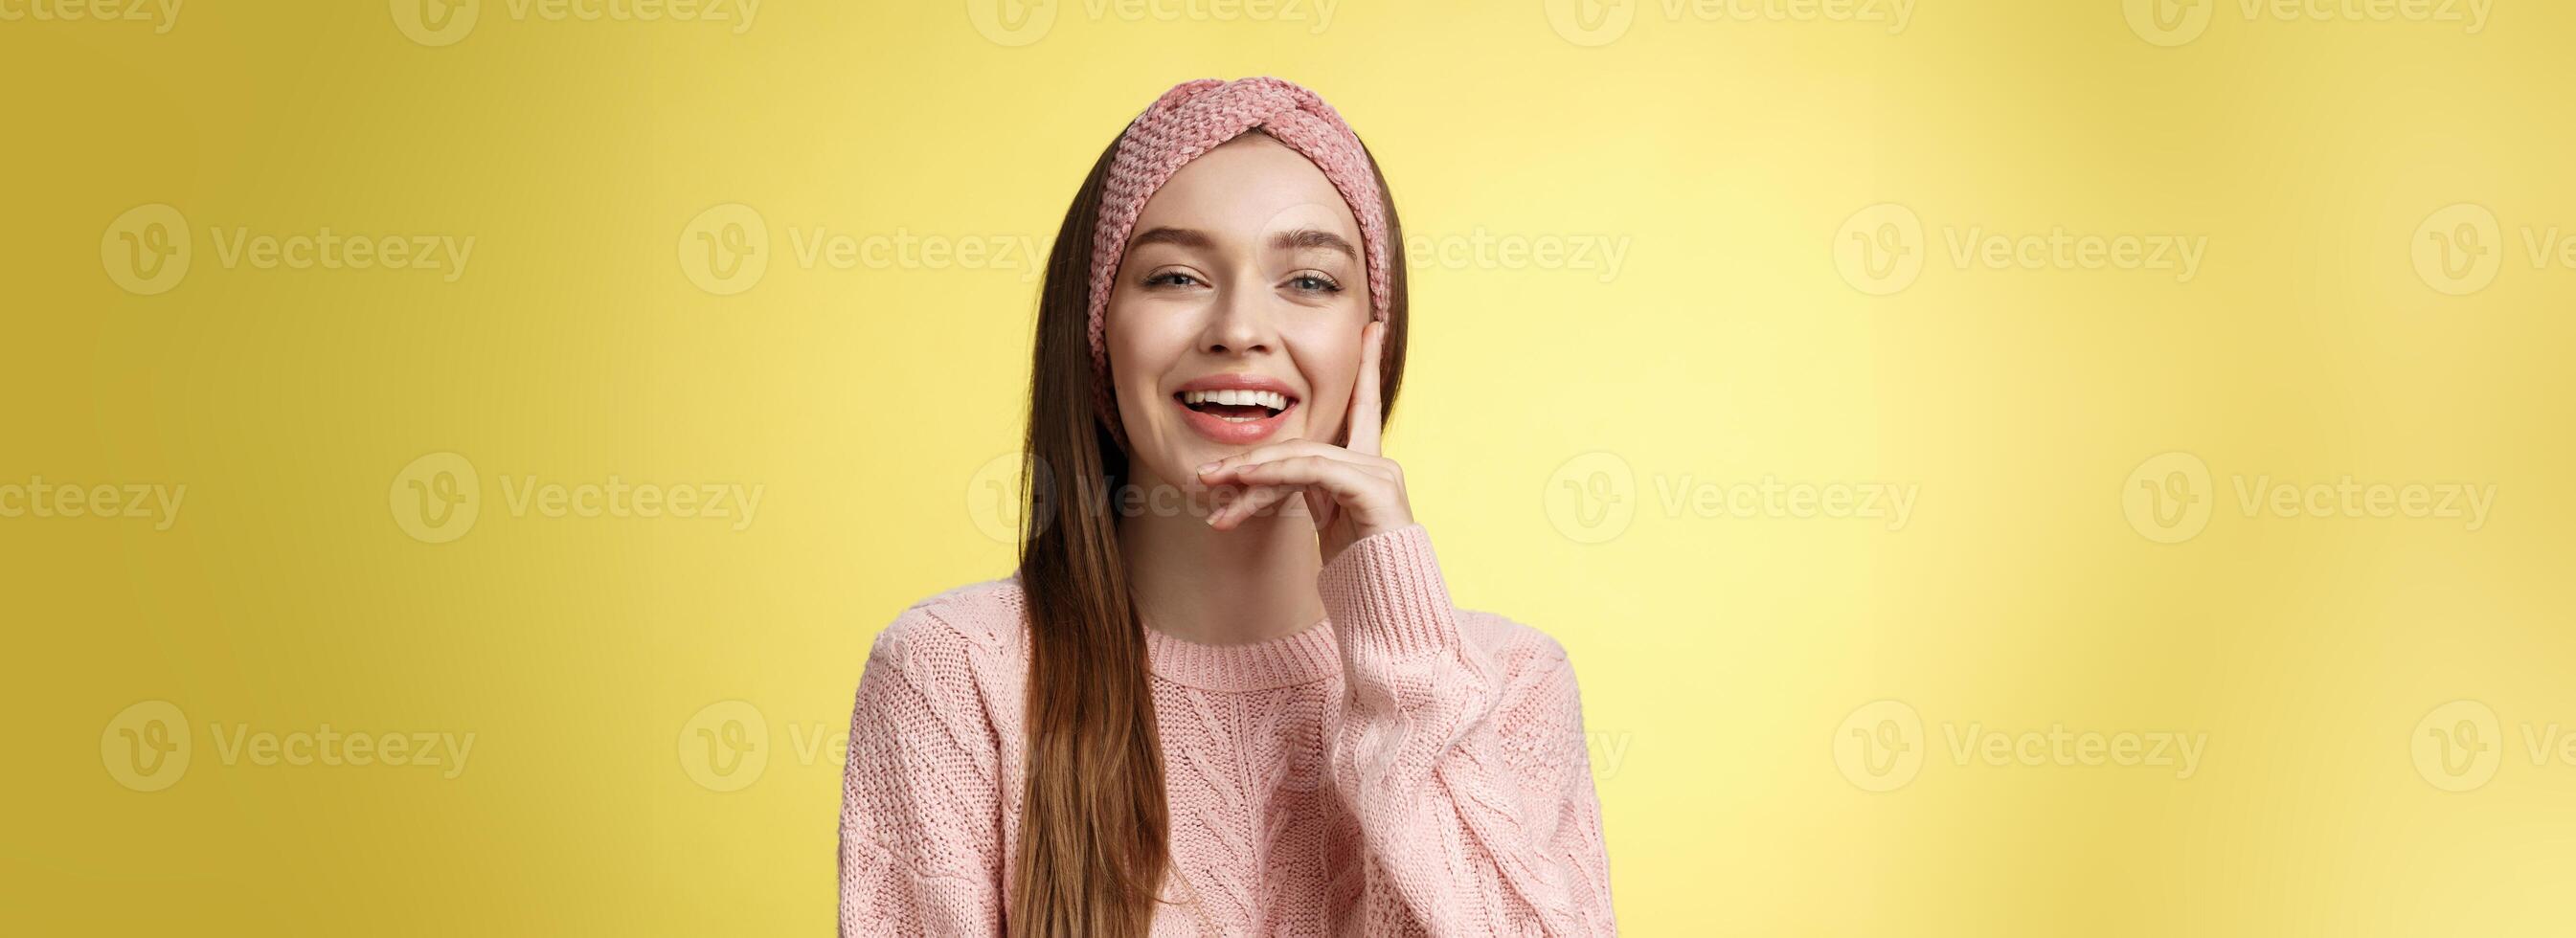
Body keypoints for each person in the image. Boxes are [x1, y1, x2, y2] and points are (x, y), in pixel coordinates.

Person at [838, 76, 1616, 937]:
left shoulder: (1507, 688)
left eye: (1310, 281)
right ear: (1098, 333)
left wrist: (1401, 644)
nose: (1239, 327)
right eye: (1175, 276)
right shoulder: (954, 677)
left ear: (1373, 341)